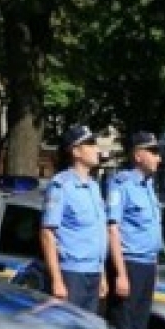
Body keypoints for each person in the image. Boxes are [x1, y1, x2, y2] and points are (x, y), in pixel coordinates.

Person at [105, 131, 162, 329]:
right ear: (138, 155)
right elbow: (113, 229)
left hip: (147, 264)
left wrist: (155, 266)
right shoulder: (122, 184)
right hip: (128, 264)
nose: (158, 157)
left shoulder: (149, 186)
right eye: (152, 151)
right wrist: (120, 272)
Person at [40, 124, 108, 314]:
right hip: (71, 273)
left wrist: (102, 274)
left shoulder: (94, 187)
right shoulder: (61, 185)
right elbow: (47, 233)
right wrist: (57, 280)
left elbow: (97, 234)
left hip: (93, 272)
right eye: (91, 144)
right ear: (76, 151)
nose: (97, 149)